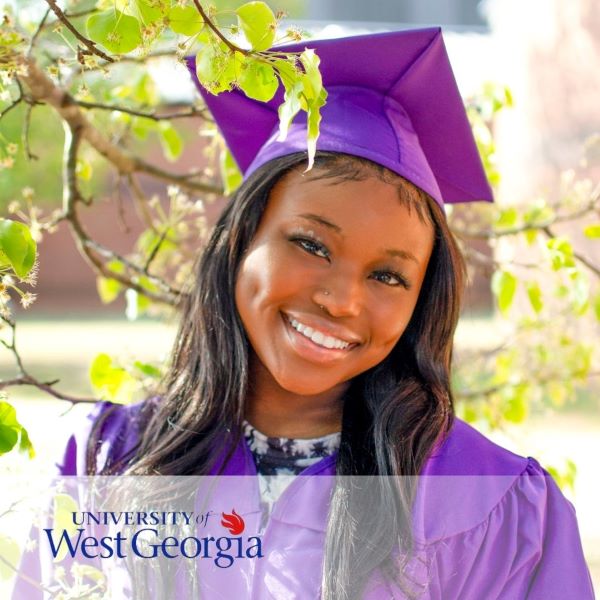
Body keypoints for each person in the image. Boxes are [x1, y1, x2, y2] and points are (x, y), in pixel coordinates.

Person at [14, 27, 594, 600]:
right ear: (241, 238)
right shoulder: (106, 460)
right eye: (311, 244)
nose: (342, 300)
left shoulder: (491, 503)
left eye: (389, 276)